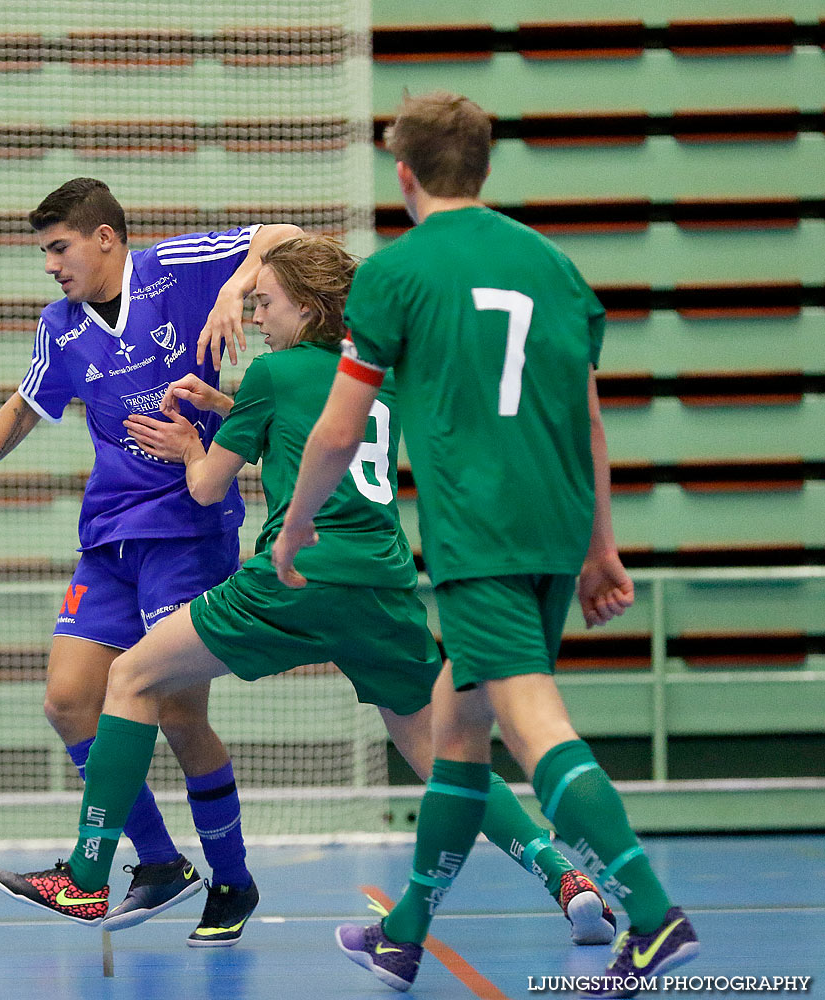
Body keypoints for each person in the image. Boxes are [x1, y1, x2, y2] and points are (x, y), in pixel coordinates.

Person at [0, 235, 615, 950]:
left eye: (266, 302)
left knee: (130, 676)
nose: (255, 315)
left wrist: (193, 445)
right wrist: (228, 401)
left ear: (308, 308)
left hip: (293, 582)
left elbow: (206, 485)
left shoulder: (275, 374)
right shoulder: (376, 375)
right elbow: (307, 429)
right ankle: (564, 875)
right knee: (445, 755)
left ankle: (92, 875)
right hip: (382, 588)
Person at [271, 94, 697, 997]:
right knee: (459, 732)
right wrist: (602, 548)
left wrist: (300, 517)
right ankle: (404, 933)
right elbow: (587, 422)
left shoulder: (395, 275)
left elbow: (341, 430)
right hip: (552, 532)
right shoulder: (556, 267)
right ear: (487, 169)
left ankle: (655, 917)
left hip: (481, 541)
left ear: (405, 174)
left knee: (534, 725)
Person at [0, 177, 301, 941]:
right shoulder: (60, 326)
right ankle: (161, 861)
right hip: (109, 536)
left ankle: (231, 881)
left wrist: (239, 285)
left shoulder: (180, 268)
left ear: (106, 237)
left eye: (58, 247)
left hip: (188, 528)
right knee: (69, 700)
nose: (49, 265)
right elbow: (26, 404)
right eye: (43, 252)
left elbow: (284, 234)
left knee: (175, 709)